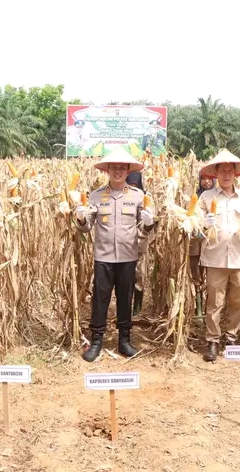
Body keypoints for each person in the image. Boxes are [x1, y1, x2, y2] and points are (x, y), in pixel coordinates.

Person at [75, 149, 155, 362]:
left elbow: (144, 228)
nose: (117, 171)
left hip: (128, 256)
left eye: (122, 168)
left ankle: (124, 340)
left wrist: (149, 223)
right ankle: (96, 341)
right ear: (107, 170)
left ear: (128, 171)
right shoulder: (95, 196)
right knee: (100, 299)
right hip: (103, 256)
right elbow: (86, 227)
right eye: (114, 168)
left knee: (125, 298)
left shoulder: (138, 196)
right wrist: (81, 219)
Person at [198, 149, 240, 361]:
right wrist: (204, 224)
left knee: (237, 301)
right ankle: (213, 340)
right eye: (222, 171)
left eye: (229, 171)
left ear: (235, 174)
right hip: (215, 257)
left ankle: (232, 338)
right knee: (214, 301)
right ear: (215, 173)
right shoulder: (206, 197)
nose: (226, 175)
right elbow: (195, 225)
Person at [191, 173, 214, 317]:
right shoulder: (194, 197)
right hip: (195, 245)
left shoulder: (217, 198)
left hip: (212, 245)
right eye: (203, 179)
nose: (206, 182)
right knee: (196, 276)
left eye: (209, 179)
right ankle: (198, 308)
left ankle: (209, 309)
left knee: (212, 279)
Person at [126, 170, 148, 316]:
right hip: (126, 245)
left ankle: (137, 308)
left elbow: (151, 223)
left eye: (135, 185)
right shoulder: (124, 197)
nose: (133, 187)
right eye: (130, 184)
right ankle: (127, 306)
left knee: (139, 276)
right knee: (127, 277)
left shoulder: (146, 198)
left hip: (140, 244)